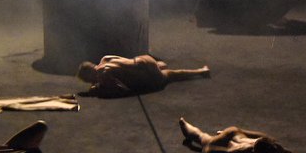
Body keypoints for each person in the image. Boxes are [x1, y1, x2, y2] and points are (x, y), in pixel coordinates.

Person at [77, 54, 210, 98]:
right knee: (162, 67)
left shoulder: (103, 75)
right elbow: (124, 61)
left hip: (147, 74)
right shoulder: (105, 58)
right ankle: (159, 66)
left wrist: (99, 89)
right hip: (143, 60)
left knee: (171, 75)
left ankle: (200, 71)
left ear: (89, 76)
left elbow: (122, 90)